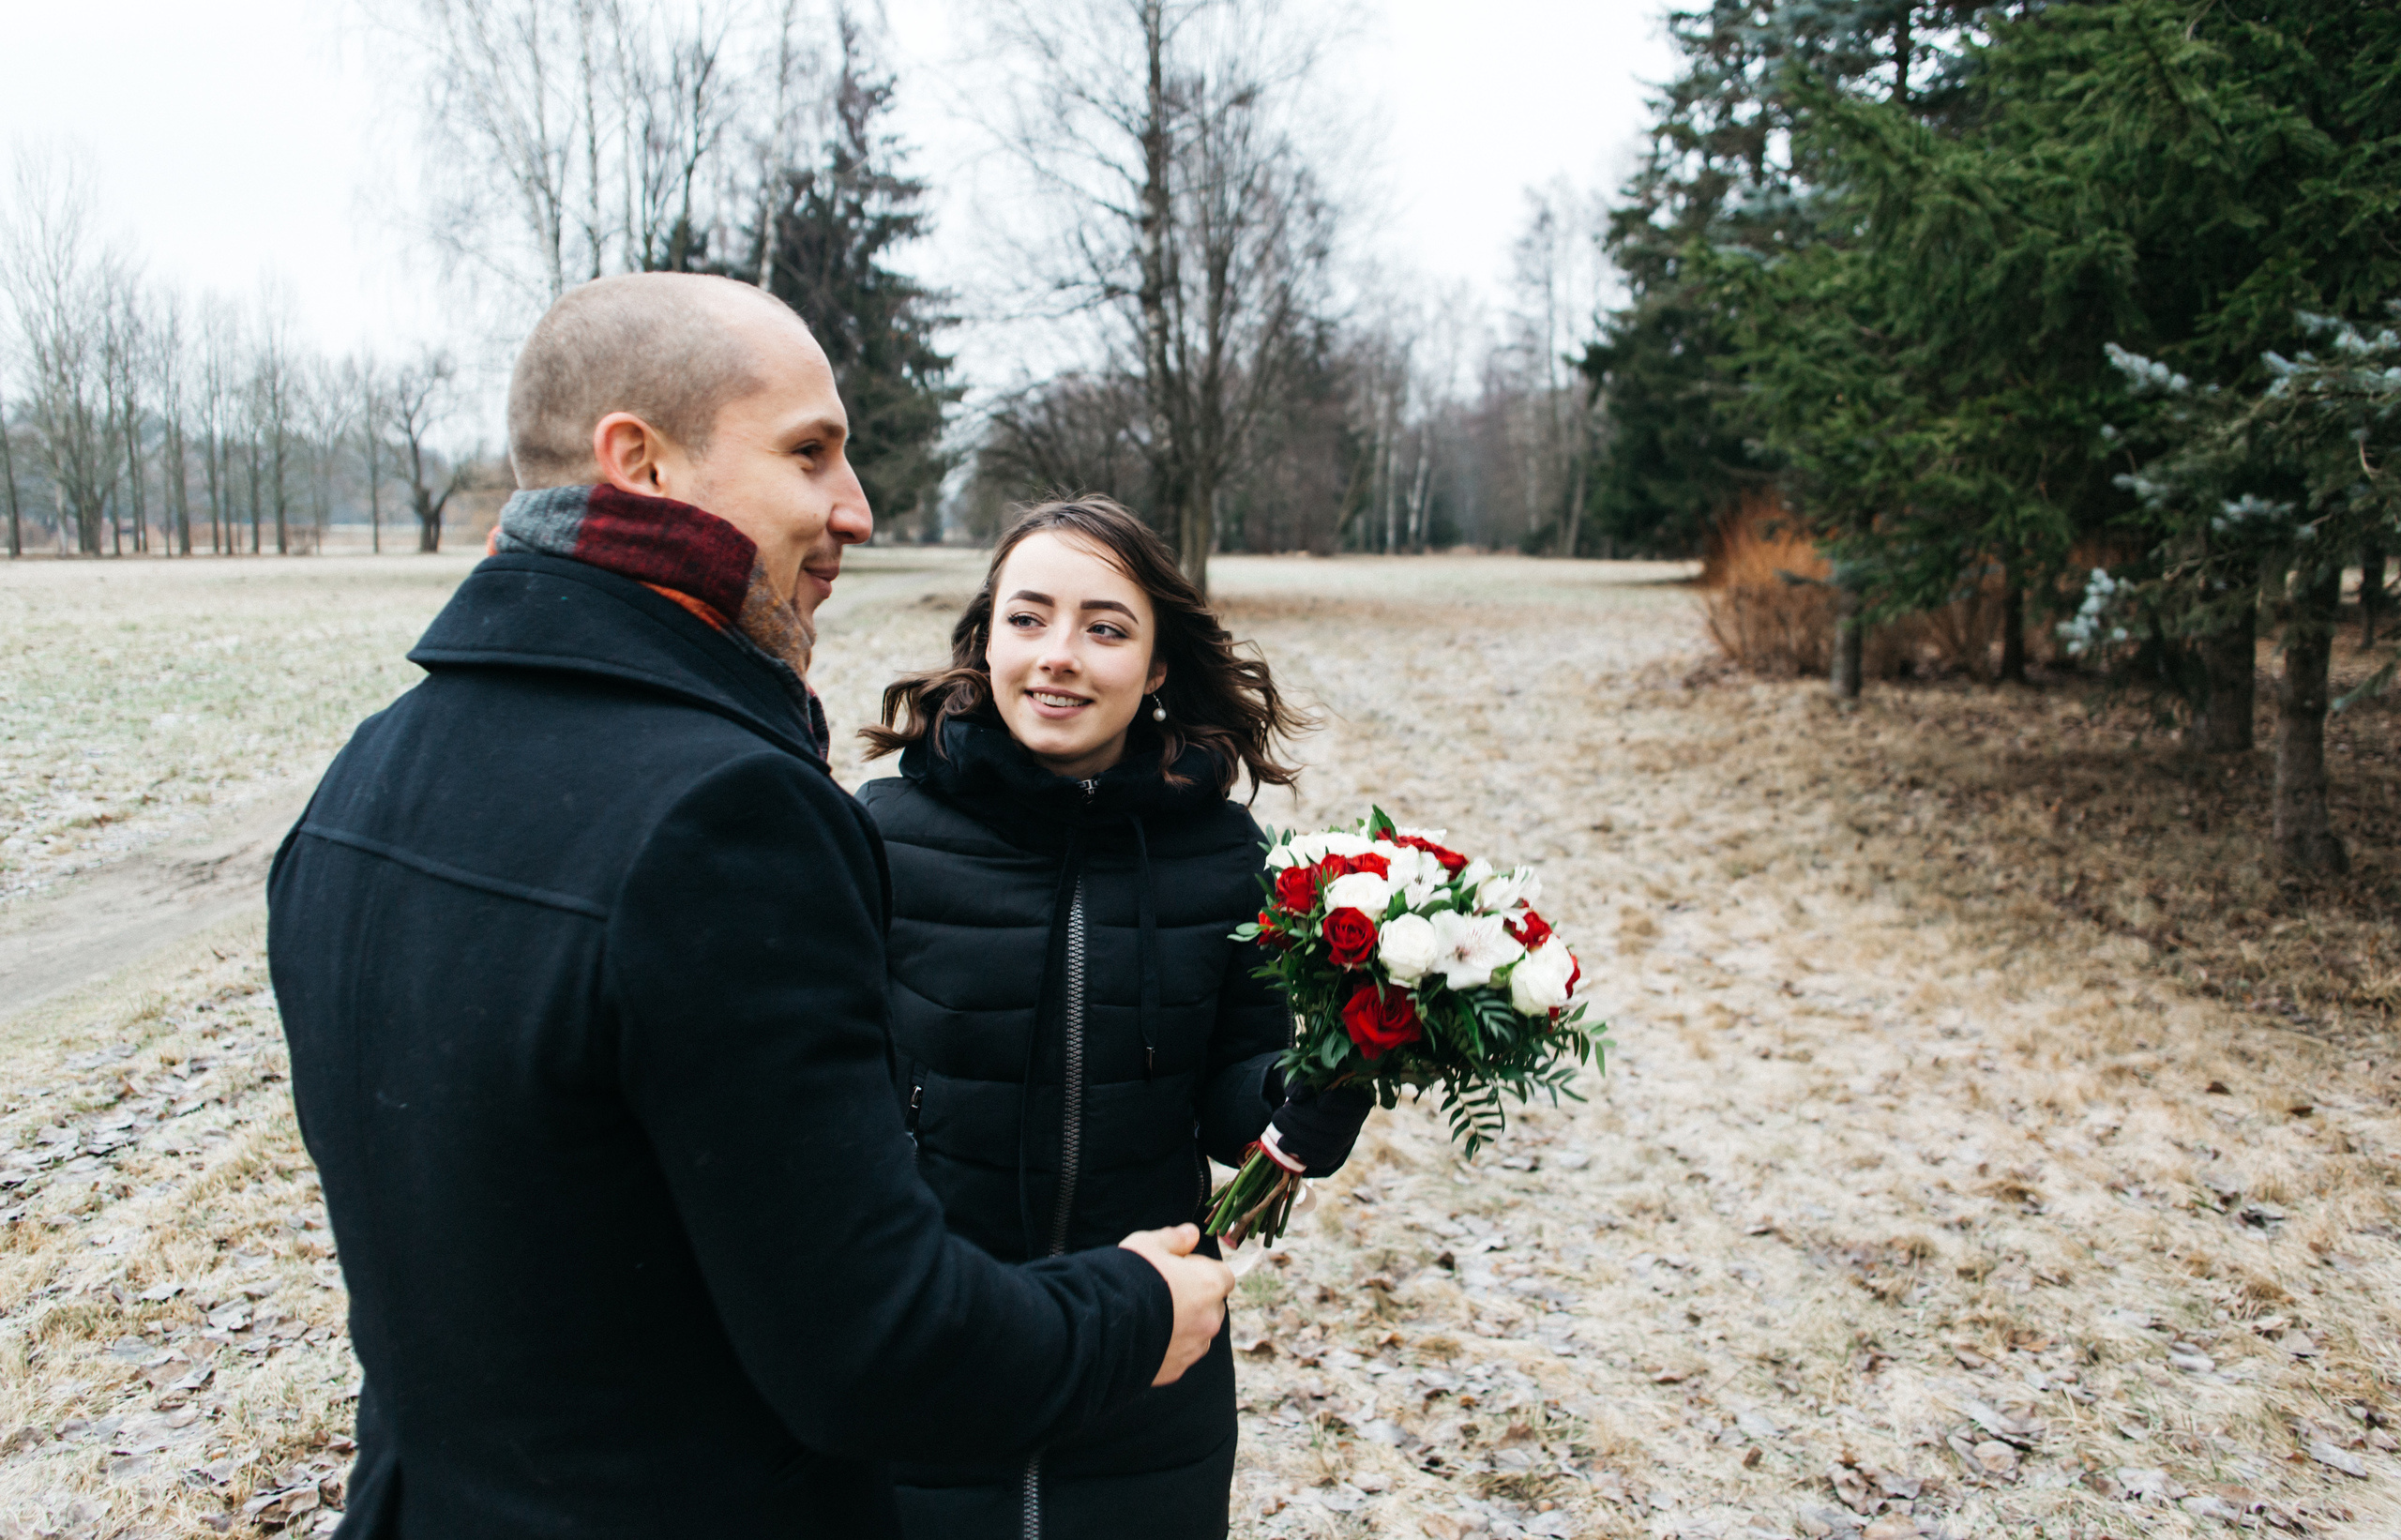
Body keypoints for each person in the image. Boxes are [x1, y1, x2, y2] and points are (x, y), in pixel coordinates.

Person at [265, 275, 1234, 1540]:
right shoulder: (725, 820)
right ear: (642, 464)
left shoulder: (368, 771)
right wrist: (1136, 1306)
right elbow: (876, 1347)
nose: (858, 509)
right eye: (809, 453)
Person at [855, 498, 1375, 1538]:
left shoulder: (1227, 857)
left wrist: (1312, 1086)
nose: (1058, 657)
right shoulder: (881, 837)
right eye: (1027, 618)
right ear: (984, 637)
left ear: (1158, 664)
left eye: (1104, 627)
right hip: (933, 1342)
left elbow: (1237, 1095)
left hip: (1153, 1350)